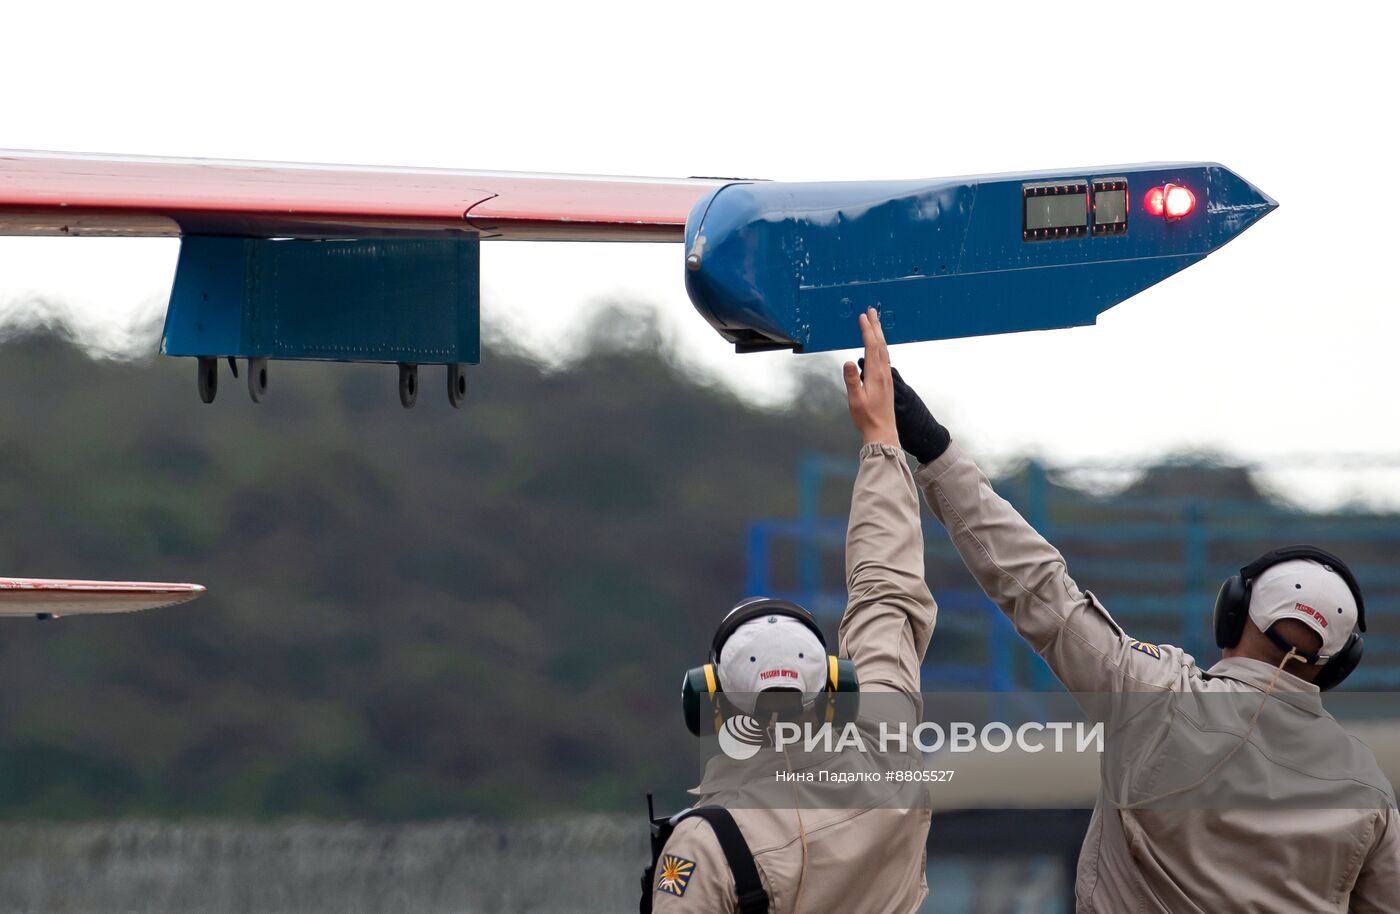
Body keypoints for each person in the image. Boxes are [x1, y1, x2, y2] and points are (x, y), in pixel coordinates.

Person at [878, 353, 1400, 912]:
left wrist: (931, 444)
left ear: (1233, 610)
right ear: (1340, 663)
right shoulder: (1369, 791)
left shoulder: (1154, 698)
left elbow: (1035, 586)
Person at [645, 309, 936, 913]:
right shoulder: (890, 762)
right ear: (836, 688)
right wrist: (882, 439)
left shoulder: (704, 847)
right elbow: (885, 593)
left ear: (707, 700)